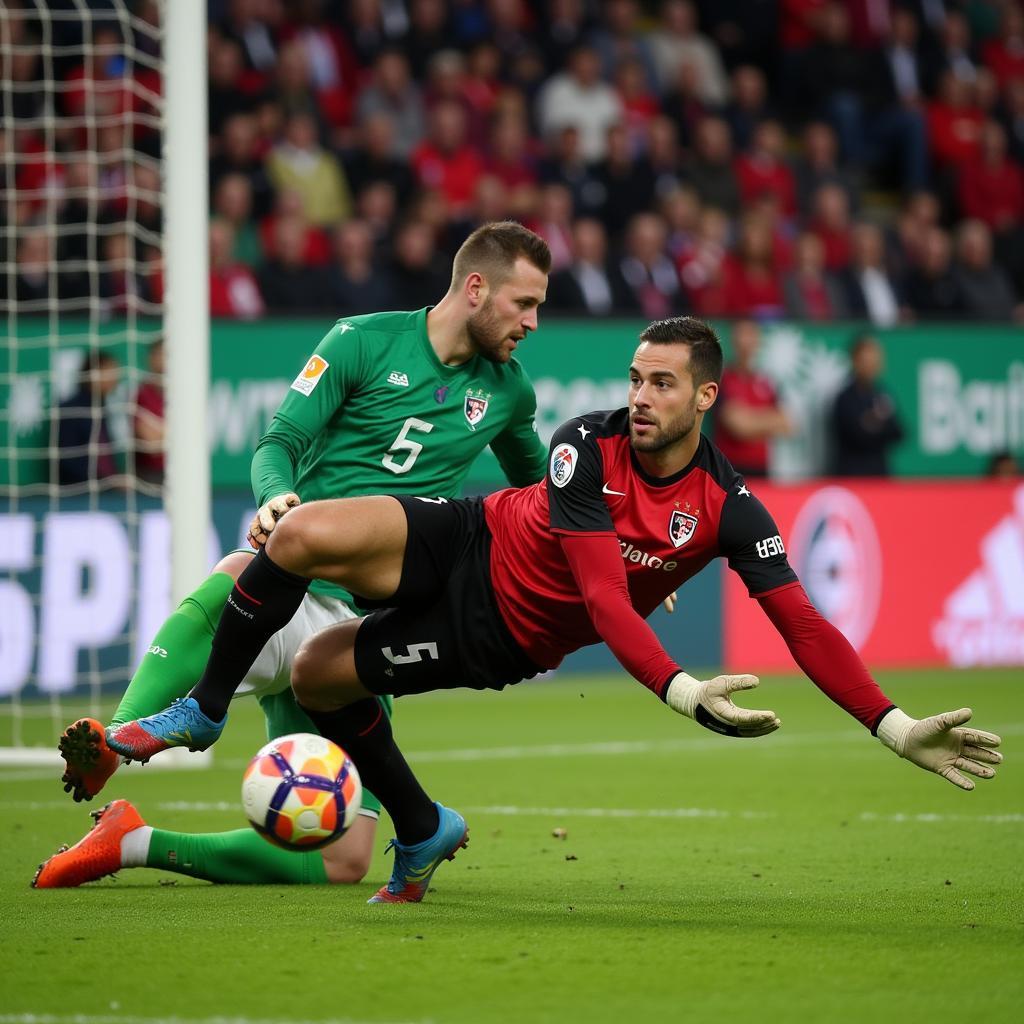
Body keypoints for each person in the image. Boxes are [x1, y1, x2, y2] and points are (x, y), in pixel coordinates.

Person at [82, 317, 1002, 904]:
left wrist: (892, 724)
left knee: (322, 678)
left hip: (498, 630)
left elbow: (803, 625)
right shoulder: (582, 445)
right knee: (299, 534)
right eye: (637, 377)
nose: (639, 396)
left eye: (663, 384)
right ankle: (201, 709)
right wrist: (683, 688)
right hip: (471, 534)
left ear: (706, 398)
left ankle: (422, 826)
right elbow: (608, 588)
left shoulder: (732, 511)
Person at [36, 221, 553, 890]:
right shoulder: (361, 340)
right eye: (525, 302)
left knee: (343, 863)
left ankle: (131, 841)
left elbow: (545, 495)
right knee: (239, 577)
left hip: (363, 631)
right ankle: (112, 740)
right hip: (295, 586)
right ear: (476, 288)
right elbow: (278, 442)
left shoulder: (509, 393)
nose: (534, 322)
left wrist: (620, 551)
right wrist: (276, 497)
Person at [713, 319, 792, 478]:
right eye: (742, 335)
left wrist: (749, 417)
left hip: (762, 469)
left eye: (751, 335)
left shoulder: (767, 381)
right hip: (730, 470)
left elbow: (786, 423)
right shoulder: (722, 380)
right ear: (734, 340)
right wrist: (768, 419)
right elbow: (738, 427)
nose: (747, 342)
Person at [830, 334, 904, 476]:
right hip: (853, 477)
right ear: (855, 361)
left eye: (874, 361)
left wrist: (872, 422)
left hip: (879, 475)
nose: (871, 367)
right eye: (866, 361)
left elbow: (898, 432)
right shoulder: (845, 398)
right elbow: (857, 434)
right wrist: (879, 422)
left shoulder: (883, 395)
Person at [55, 349, 122, 488]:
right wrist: (104, 480)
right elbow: (68, 458)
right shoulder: (72, 409)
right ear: (93, 374)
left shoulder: (102, 407)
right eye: (109, 372)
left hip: (104, 489)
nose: (115, 378)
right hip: (76, 492)